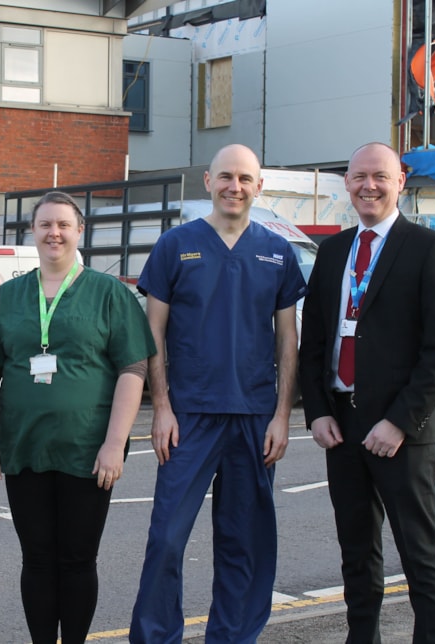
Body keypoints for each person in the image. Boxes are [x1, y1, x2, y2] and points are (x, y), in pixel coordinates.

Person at [129, 144, 308, 643]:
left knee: (243, 544)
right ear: (208, 181)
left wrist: (282, 416)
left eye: (245, 178)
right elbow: (153, 333)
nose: (235, 186)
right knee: (166, 539)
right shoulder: (175, 245)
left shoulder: (277, 252)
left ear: (258, 187)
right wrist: (160, 408)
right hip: (188, 416)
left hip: (254, 418)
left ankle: (232, 636)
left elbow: (287, 340)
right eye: (226, 176)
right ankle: (156, 636)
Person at [299, 142, 435, 643]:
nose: (369, 185)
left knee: (419, 550)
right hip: (341, 425)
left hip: (400, 430)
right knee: (356, 548)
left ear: (400, 183)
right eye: (359, 176)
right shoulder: (331, 250)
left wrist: (398, 421)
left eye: (380, 176)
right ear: (346, 183)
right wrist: (318, 413)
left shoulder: (427, 247)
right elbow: (317, 341)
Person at [0, 191, 155, 644]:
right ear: (33, 232)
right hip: (24, 449)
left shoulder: (109, 293)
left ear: (80, 231)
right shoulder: (6, 298)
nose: (53, 233)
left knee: (78, 559)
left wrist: (116, 443)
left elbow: (133, 369)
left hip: (88, 452)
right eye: (45, 225)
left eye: (63, 224)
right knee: (36, 559)